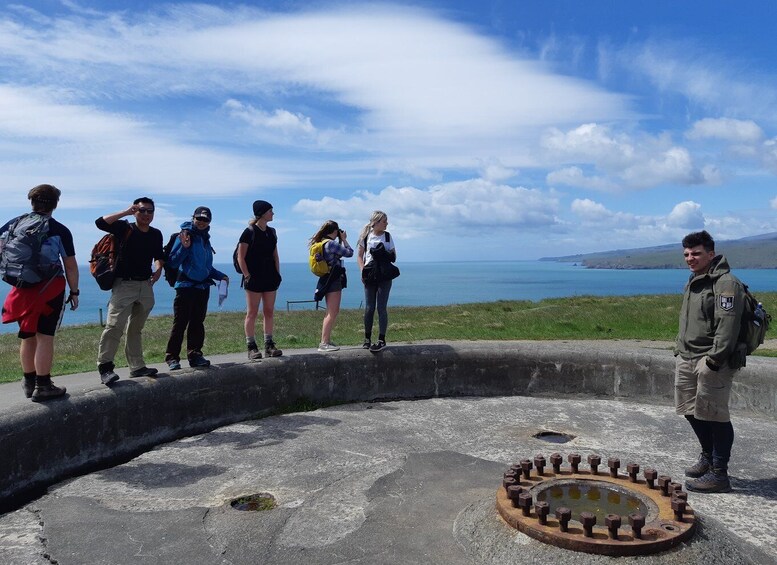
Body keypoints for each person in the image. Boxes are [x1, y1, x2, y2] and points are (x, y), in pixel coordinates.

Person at [674, 230, 745, 493]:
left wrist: (713, 361)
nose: (690, 258)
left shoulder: (726, 284)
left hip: (712, 361)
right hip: (687, 356)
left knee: (715, 415)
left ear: (711, 254)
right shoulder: (695, 280)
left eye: (696, 253)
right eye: (687, 254)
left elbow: (728, 327)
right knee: (690, 410)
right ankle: (707, 456)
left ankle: (719, 473)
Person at [0, 184, 79, 401]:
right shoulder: (58, 229)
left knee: (27, 335)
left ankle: (28, 381)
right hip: (49, 289)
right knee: (45, 337)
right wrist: (74, 291)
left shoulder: (13, 224)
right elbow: (70, 265)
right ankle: (43, 385)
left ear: (32, 201)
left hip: (20, 290)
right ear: (55, 204)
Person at [95, 198, 164, 384]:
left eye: (150, 211)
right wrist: (126, 212)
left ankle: (137, 366)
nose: (146, 215)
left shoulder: (156, 234)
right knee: (114, 326)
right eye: (142, 211)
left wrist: (158, 269)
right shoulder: (124, 229)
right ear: (135, 211)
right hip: (124, 284)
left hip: (145, 286)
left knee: (136, 329)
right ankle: (105, 368)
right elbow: (100, 222)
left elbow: (159, 256)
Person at [164, 206, 229, 370]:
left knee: (197, 323)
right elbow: (173, 262)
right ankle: (172, 358)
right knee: (180, 323)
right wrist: (184, 248)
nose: (201, 222)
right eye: (199, 218)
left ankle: (195, 355)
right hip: (185, 287)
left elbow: (206, 268)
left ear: (209, 222)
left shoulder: (205, 239)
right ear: (193, 218)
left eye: (205, 219)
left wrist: (221, 276)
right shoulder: (185, 235)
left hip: (202, 287)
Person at [236, 200, 282, 360]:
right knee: (252, 312)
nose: (273, 213)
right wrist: (247, 276)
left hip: (270, 277)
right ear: (262, 213)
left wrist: (277, 274)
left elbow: (275, 255)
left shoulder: (272, 232)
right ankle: (251, 346)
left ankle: (269, 345)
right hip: (254, 278)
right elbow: (240, 256)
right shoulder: (248, 232)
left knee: (269, 311)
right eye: (270, 211)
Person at [310, 220, 353, 352]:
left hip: (325, 278)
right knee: (332, 312)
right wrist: (344, 240)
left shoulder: (321, 243)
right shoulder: (331, 244)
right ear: (334, 231)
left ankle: (326, 341)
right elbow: (349, 252)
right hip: (334, 279)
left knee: (330, 311)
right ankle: (324, 343)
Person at [356, 211, 396, 352]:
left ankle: (381, 339)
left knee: (381, 308)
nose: (386, 223)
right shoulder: (366, 236)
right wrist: (362, 271)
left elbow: (394, 255)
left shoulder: (387, 236)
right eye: (384, 221)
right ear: (376, 222)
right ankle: (367, 338)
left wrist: (382, 254)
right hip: (370, 274)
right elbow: (360, 256)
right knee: (369, 308)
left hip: (384, 275)